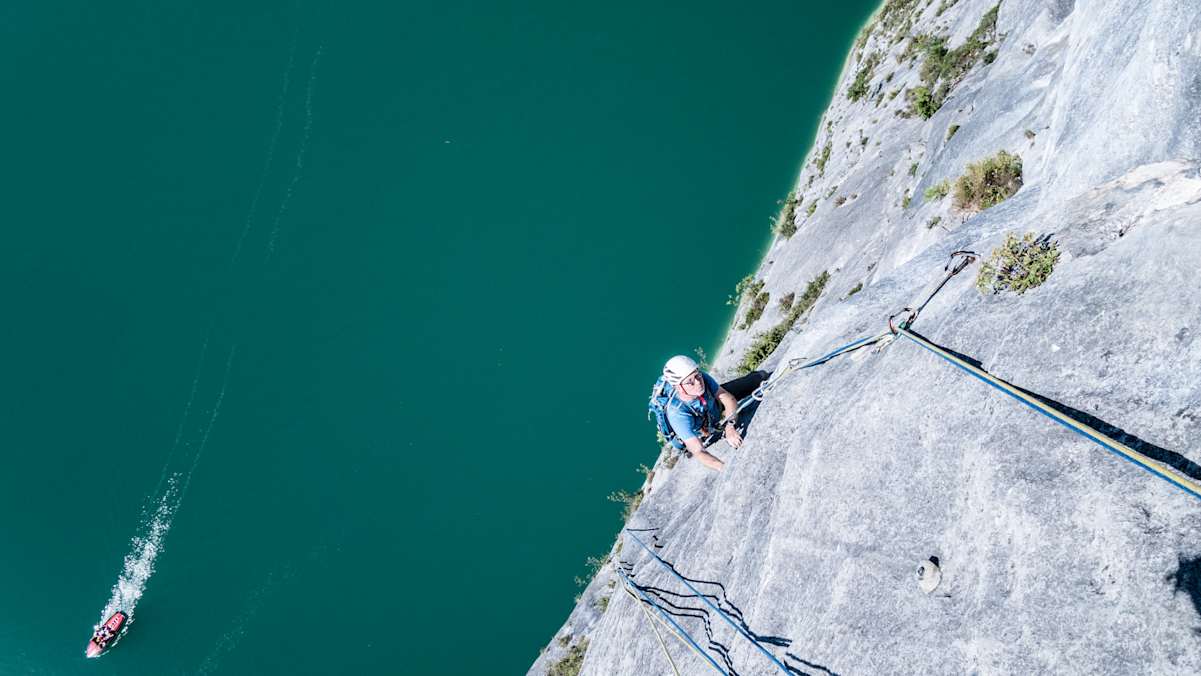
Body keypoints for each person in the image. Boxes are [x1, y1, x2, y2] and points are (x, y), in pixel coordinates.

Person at [658, 355, 768, 471]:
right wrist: (725, 468)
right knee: (692, 445)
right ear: (678, 387)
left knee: (759, 377)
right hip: (698, 428)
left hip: (712, 406)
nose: (698, 382)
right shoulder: (677, 413)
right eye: (690, 382)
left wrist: (730, 427)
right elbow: (698, 451)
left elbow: (729, 399)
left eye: (697, 375)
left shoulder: (702, 378)